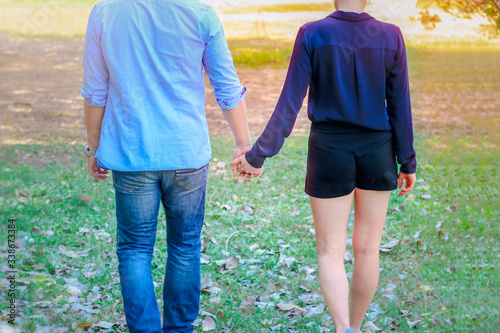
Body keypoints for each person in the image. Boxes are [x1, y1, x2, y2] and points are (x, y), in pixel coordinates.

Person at [232, 0, 417, 332]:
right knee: (368, 248)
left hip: (329, 149)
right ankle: (356, 328)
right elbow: (400, 104)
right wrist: (408, 161)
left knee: (331, 251)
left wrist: (257, 155)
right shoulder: (391, 36)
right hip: (378, 149)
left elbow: (289, 104)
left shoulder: (312, 34)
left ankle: (342, 328)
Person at [81, 0, 252, 332]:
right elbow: (227, 86)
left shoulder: (105, 12)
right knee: (186, 244)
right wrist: (243, 143)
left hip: (131, 155)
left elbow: (95, 90)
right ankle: (179, 329)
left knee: (133, 249)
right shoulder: (200, 14)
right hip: (186, 153)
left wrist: (94, 147)